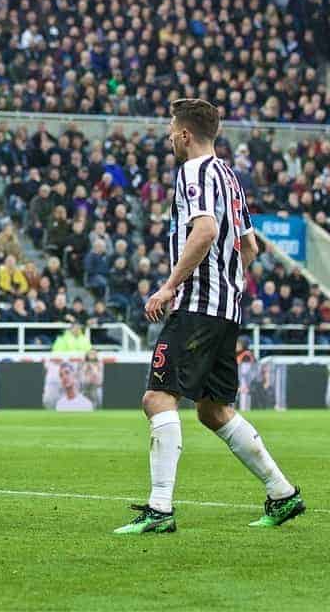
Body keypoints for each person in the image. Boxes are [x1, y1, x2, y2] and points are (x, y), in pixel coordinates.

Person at [117, 99, 304, 534]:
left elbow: (205, 230)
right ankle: (282, 493)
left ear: (184, 134)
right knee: (213, 410)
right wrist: (227, 287)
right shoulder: (230, 178)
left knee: (157, 398)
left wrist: (170, 286)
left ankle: (160, 510)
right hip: (225, 309)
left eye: (170, 129)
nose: (168, 136)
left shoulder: (193, 172)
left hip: (198, 306)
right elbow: (250, 247)